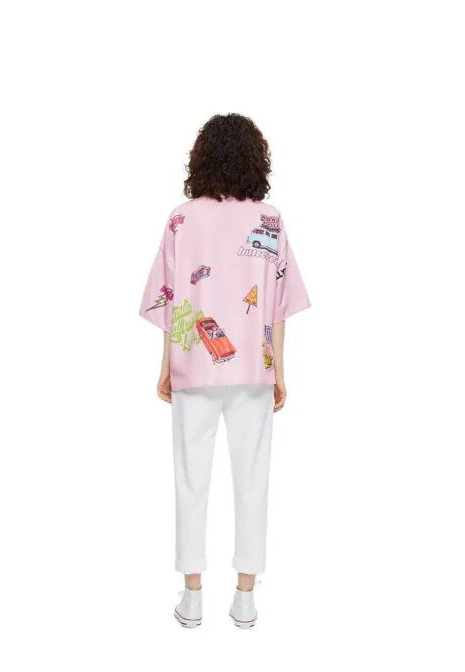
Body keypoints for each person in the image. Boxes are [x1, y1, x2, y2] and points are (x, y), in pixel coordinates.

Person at [139, 113, 310, 629]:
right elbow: (277, 305)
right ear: (256, 160)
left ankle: (192, 596)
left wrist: (166, 364)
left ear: (203, 158)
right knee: (253, 479)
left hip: (194, 364)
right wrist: (279, 371)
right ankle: (245, 597)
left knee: (190, 478)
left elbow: (171, 299)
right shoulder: (270, 220)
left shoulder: (181, 220)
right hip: (253, 369)